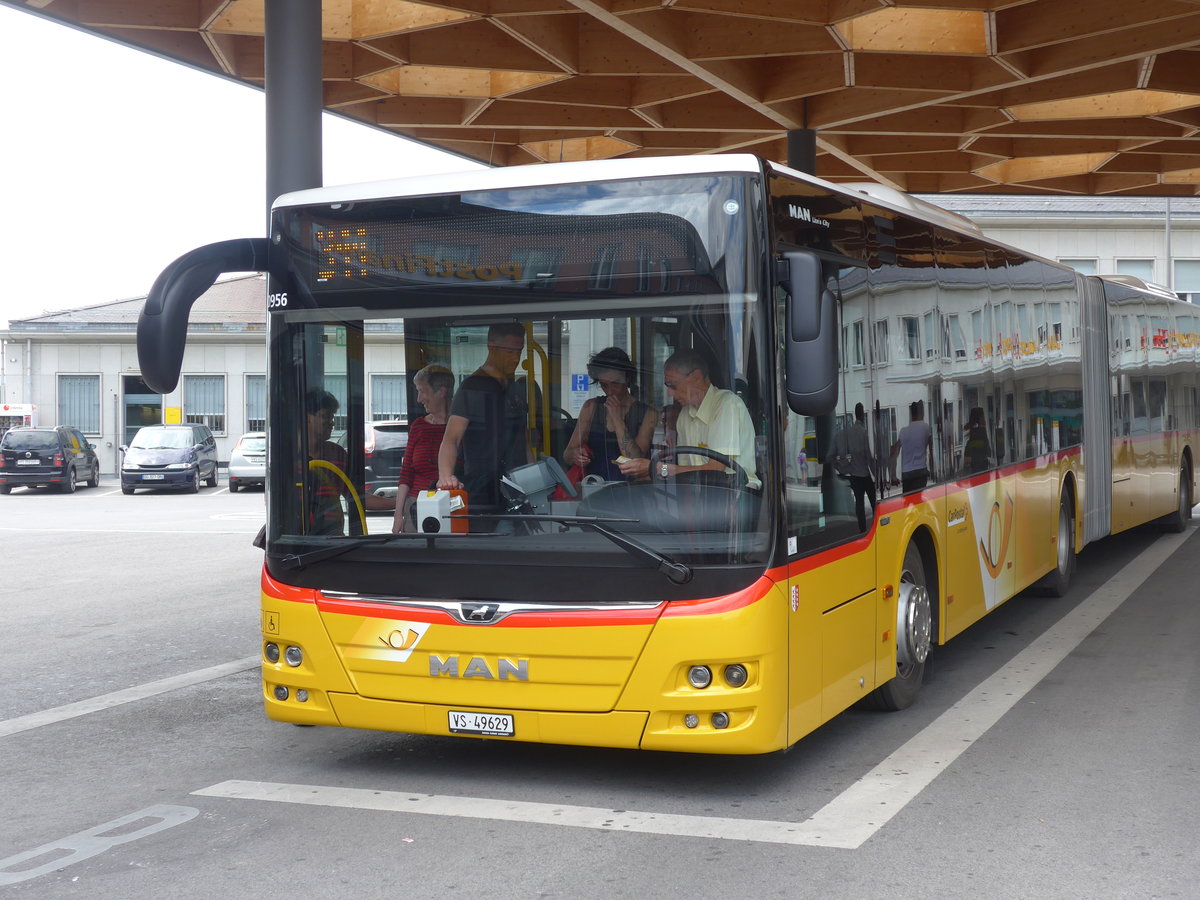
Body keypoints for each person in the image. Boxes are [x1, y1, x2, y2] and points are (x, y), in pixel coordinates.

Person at [619, 349, 760, 488]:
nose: (670, 393)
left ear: (696, 377)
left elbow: (716, 470)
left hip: (736, 497)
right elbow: (685, 479)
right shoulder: (685, 415)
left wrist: (658, 468)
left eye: (673, 385)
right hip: (702, 500)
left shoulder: (727, 404)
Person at [437, 323, 532, 518]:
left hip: (518, 489)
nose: (516, 358)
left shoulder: (516, 389)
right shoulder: (472, 388)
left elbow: (524, 439)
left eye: (519, 351)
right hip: (485, 491)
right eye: (509, 351)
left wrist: (532, 479)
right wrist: (446, 477)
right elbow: (451, 438)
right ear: (491, 346)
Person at [306, 389, 394, 536]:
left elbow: (357, 498)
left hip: (332, 536)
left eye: (332, 416)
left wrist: (400, 502)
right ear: (307, 417)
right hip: (297, 539)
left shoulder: (337, 454)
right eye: (325, 416)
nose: (331, 422)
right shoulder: (287, 456)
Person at [564, 347, 658, 481]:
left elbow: (635, 459)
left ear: (627, 379)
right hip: (595, 485)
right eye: (604, 385)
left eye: (615, 383)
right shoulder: (591, 407)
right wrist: (575, 455)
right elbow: (567, 454)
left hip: (632, 490)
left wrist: (617, 419)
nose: (610, 391)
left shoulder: (648, 413)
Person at [391, 364, 454, 533]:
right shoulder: (418, 426)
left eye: (422, 391)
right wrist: (398, 516)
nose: (419, 399)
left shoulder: (460, 427)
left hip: (453, 507)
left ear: (441, 392)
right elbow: (406, 474)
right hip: (415, 508)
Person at [831, 402, 876, 531]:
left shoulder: (849, 433)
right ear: (862, 415)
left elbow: (843, 453)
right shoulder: (864, 432)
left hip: (854, 476)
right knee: (873, 502)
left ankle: (862, 528)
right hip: (864, 474)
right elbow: (869, 456)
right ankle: (875, 525)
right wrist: (875, 474)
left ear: (855, 414)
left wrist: (843, 468)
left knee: (859, 503)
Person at [892, 400, 934, 493]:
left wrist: (893, 476)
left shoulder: (903, 431)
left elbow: (894, 453)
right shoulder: (926, 428)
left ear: (911, 414)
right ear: (922, 413)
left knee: (908, 502)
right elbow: (931, 451)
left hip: (906, 473)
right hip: (920, 472)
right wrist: (932, 469)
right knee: (918, 500)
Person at [962, 406, 991, 474]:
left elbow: (967, 458)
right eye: (983, 418)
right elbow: (988, 451)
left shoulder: (970, 433)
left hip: (975, 469)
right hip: (980, 469)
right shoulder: (981, 433)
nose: (985, 421)